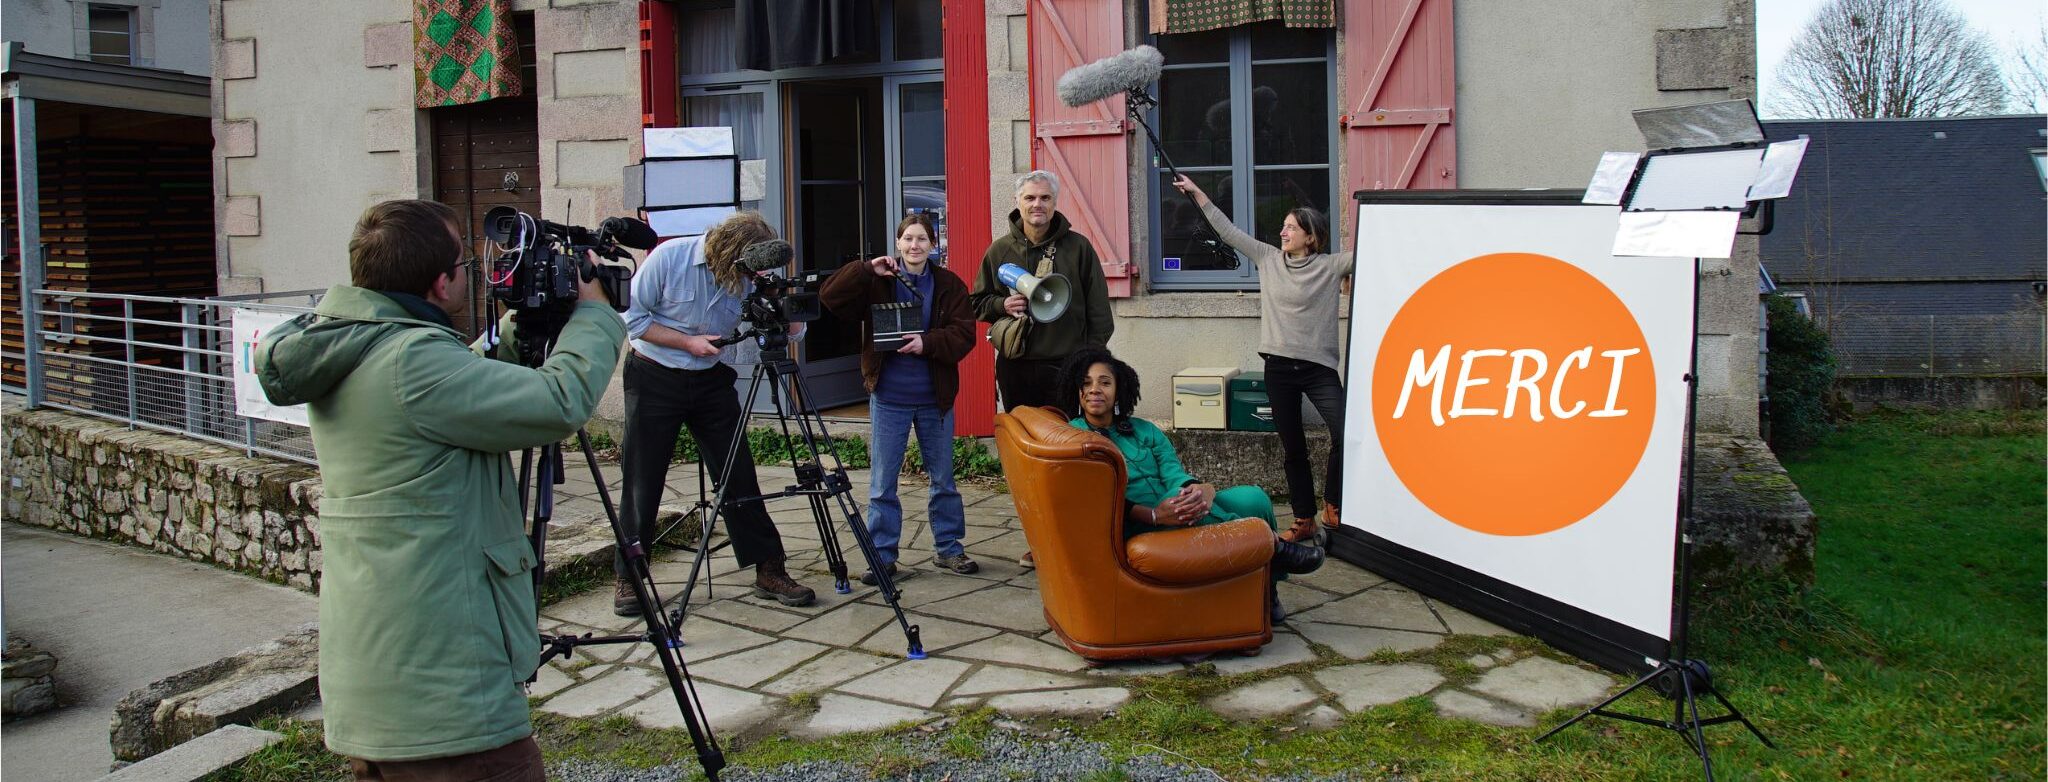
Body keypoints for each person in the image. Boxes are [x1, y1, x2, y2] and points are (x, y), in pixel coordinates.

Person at [255, 199, 625, 780]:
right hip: (444, 694)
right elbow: (558, 403)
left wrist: (524, 322)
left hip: (383, 673)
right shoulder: (412, 361)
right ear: (439, 281)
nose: (474, 273)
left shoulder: (357, 343)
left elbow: (462, 379)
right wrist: (597, 314)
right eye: (465, 263)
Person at [616, 211, 815, 615]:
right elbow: (632, 319)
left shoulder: (751, 276)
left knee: (738, 471)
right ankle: (630, 578)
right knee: (642, 478)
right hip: (654, 375)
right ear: (728, 253)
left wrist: (782, 303)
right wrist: (686, 343)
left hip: (709, 379)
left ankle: (768, 568)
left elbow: (794, 332)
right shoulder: (668, 258)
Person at [1056, 348, 1326, 623]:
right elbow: (1095, 498)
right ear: (1077, 391)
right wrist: (1152, 514)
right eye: (1086, 383)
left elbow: (1173, 471)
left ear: (1118, 389)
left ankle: (1268, 590)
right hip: (1138, 522)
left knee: (1253, 498)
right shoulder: (1076, 438)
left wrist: (1200, 488)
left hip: (1177, 505)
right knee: (1179, 499)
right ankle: (1273, 547)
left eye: (1104, 382)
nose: (1094, 390)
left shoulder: (1142, 429)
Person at [1172, 174, 1351, 545]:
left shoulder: (1331, 266)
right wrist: (1197, 193)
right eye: (1283, 227)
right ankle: (1304, 519)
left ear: (1310, 237)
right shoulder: (1269, 259)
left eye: (1290, 228)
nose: (1282, 233)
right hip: (1279, 368)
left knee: (1346, 432)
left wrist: (1377, 208)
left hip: (1319, 370)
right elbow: (1229, 232)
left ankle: (1332, 504)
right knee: (1293, 447)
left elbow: (1375, 251)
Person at [820, 213, 980, 584]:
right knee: (882, 483)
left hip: (934, 398)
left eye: (922, 239)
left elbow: (964, 334)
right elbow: (830, 297)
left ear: (933, 244)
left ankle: (949, 548)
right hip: (889, 396)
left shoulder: (949, 284)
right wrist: (864, 269)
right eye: (908, 238)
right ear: (897, 243)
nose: (915, 245)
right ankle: (883, 555)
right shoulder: (879, 282)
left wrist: (927, 342)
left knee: (942, 479)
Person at [970, 169, 1116, 412]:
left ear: (1055, 202)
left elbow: (1099, 313)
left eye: (1045, 198)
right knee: (1022, 441)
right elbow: (976, 303)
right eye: (1030, 198)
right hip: (1016, 367)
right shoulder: (999, 250)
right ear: (1017, 202)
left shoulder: (1078, 248)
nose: (1037, 204)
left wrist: (1087, 362)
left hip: (1066, 365)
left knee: (1065, 442)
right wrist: (1001, 305)